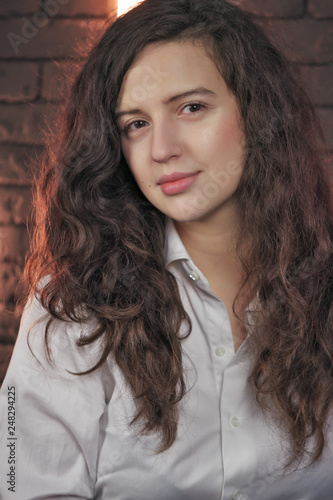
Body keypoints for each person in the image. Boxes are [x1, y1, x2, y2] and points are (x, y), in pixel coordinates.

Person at [0, 0, 333, 498]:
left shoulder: (323, 288)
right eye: (136, 123)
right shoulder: (68, 309)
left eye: (191, 107)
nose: (162, 149)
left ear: (257, 111)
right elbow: (18, 475)